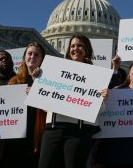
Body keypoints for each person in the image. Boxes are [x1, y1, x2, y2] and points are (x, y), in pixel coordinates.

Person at [38, 34, 109, 168]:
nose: (76, 49)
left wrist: (101, 98)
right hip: (53, 128)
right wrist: (39, 89)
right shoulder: (55, 71)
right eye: (72, 46)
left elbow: (99, 110)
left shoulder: (96, 74)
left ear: (87, 49)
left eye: (80, 45)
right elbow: (44, 107)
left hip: (79, 131)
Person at [0, 42, 46, 168]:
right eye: (30, 53)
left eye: (37, 54)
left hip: (35, 134)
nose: (33, 57)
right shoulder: (14, 80)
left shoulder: (48, 80)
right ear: (25, 57)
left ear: (42, 59)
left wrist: (37, 89)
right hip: (14, 136)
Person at [0, 50, 17, 167]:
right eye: (0, 59)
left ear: (12, 61)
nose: (4, 60)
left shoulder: (23, 82)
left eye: (7, 58)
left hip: (18, 143)